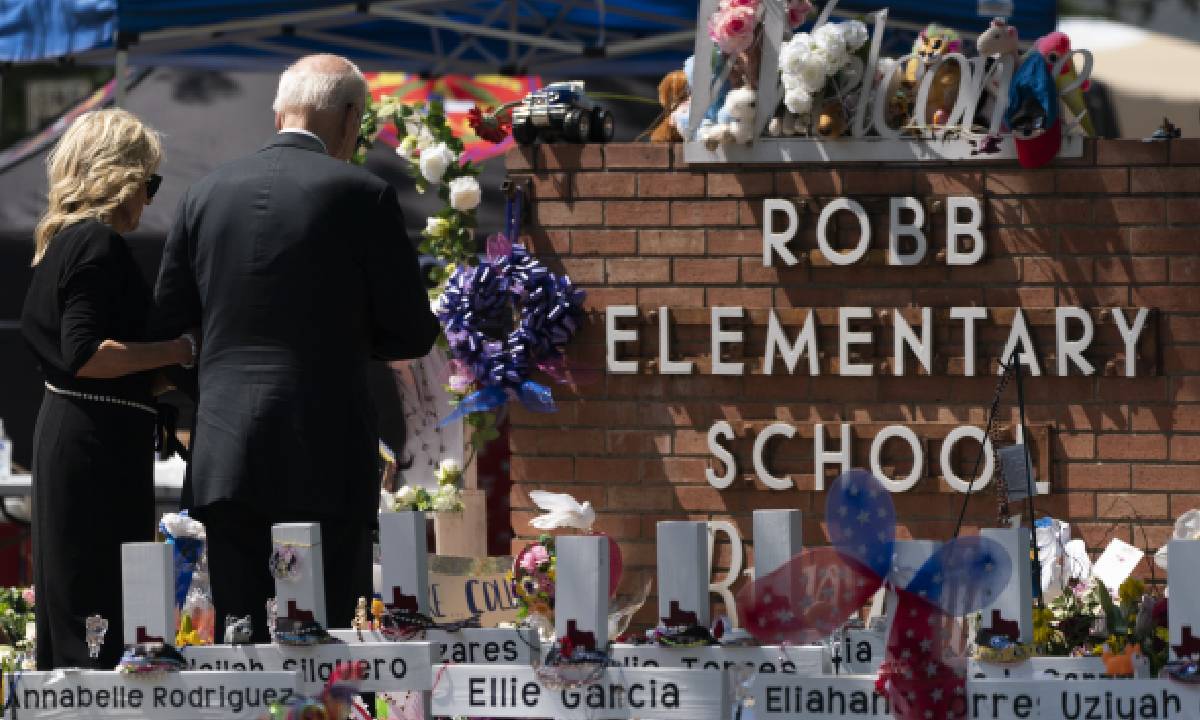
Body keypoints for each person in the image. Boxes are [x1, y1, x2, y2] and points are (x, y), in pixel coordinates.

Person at [154, 54, 440, 641]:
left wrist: (209, 387)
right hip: (325, 445)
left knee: (239, 640)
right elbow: (411, 331)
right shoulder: (364, 194)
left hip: (226, 448)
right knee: (331, 638)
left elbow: (168, 326)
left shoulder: (202, 194)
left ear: (278, 112)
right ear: (350, 118)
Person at [20, 109, 197, 669]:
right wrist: (178, 350)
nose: (148, 198)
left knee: (87, 599)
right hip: (94, 447)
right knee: (96, 606)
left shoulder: (64, 243)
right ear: (118, 178)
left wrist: (173, 368)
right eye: (149, 183)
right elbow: (89, 354)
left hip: (88, 433)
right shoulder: (96, 243)